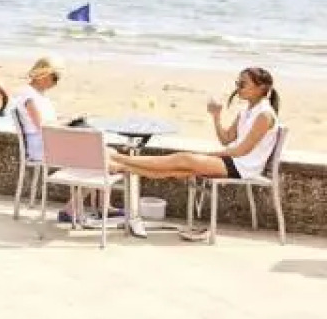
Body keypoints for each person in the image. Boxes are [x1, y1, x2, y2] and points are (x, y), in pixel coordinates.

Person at [109, 68, 282, 241]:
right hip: (235, 161)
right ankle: (122, 166)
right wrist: (216, 116)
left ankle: (118, 159)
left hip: (243, 166)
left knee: (183, 159)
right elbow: (226, 139)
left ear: (261, 88)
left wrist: (210, 155)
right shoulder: (246, 112)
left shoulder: (264, 115)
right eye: (237, 83)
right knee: (176, 170)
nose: (238, 88)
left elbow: (242, 150)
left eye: (243, 84)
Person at [10, 58, 63, 162]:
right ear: (43, 75)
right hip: (40, 145)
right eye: (54, 78)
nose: (55, 83)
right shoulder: (27, 94)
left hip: (45, 140)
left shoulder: (39, 95)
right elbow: (40, 125)